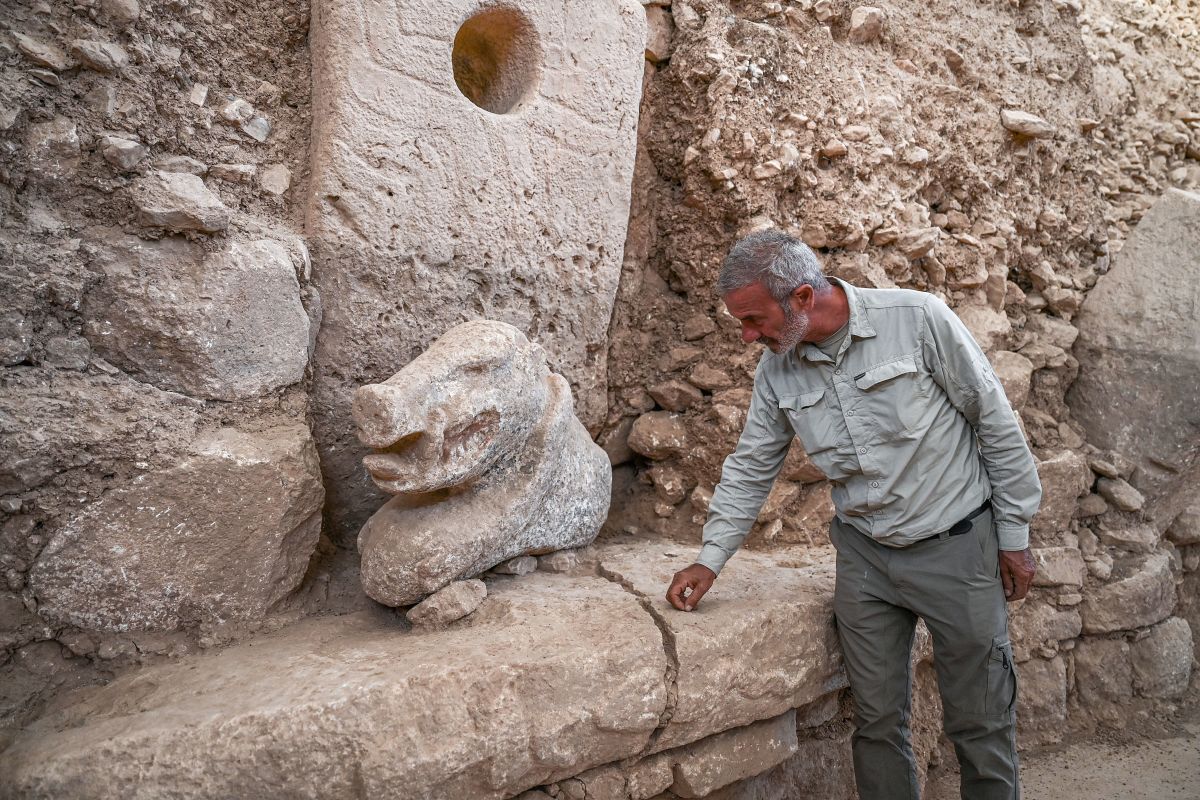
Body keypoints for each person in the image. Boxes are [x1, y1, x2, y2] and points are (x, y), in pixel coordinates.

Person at [665, 230, 1041, 800]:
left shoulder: (917, 318)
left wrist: (1013, 536)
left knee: (981, 721)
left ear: (801, 298)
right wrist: (710, 559)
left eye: (753, 318)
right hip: (865, 559)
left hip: (958, 547)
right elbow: (750, 466)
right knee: (876, 725)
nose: (747, 335)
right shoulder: (777, 371)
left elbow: (995, 422)